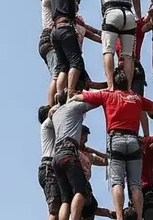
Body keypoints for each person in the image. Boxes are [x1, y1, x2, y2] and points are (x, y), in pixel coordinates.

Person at [70, 71, 153, 220]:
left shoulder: (108, 95)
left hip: (116, 139)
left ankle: (119, 216)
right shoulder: (136, 98)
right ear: (127, 84)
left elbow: (84, 96)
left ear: (114, 84)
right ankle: (139, 216)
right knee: (135, 184)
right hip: (133, 140)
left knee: (117, 182)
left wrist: (71, 96)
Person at [72, 0, 153, 90]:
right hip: (129, 15)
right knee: (128, 55)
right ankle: (128, 87)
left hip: (112, 12)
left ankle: (111, 85)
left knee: (108, 51)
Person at [51, 91, 97, 220]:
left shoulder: (56, 114)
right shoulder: (73, 106)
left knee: (66, 198)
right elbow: (96, 100)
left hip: (56, 156)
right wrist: (82, 95)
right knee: (80, 191)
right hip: (69, 152)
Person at [50, 0, 86, 97]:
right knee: (76, 62)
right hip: (65, 27)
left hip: (55, 30)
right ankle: (70, 91)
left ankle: (60, 95)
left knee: (63, 66)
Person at [39, 104, 62, 220]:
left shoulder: (52, 130)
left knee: (60, 207)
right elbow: (53, 112)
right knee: (54, 210)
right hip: (49, 167)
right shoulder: (46, 124)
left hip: (52, 167)